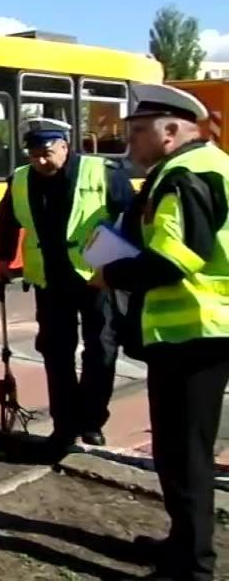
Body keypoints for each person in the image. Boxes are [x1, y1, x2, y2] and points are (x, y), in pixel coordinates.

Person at [93, 83, 229, 581]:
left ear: (171, 133)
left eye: (137, 132)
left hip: (193, 332)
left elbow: (175, 260)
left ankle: (194, 567)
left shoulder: (183, 176)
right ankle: (181, 544)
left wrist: (112, 273)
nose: (130, 142)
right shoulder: (212, 166)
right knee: (177, 449)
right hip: (199, 332)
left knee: (185, 453)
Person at [0, 117, 133, 452]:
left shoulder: (103, 173)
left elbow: (131, 219)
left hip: (97, 276)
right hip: (49, 280)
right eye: (34, 154)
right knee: (56, 353)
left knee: (101, 351)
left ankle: (92, 420)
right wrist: (2, 259)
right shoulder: (21, 180)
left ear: (65, 147)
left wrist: (121, 268)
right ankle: (64, 424)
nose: (40, 160)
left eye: (47, 152)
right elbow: (6, 221)